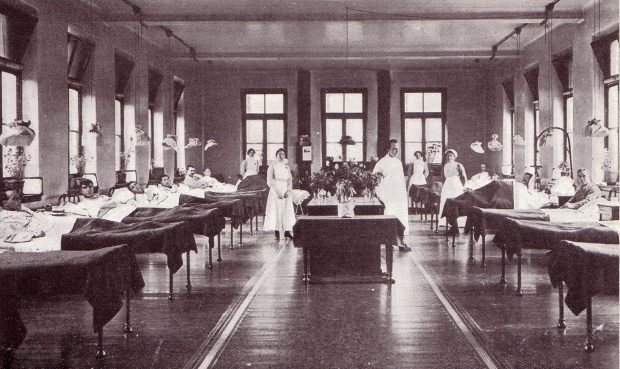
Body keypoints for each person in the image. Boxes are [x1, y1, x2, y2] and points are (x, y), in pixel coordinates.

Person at [373, 139, 410, 251]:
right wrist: (381, 195)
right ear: (388, 149)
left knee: (402, 219)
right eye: (394, 148)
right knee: (391, 219)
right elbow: (375, 180)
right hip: (389, 196)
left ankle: (401, 243)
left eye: (397, 149)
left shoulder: (398, 162)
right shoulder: (381, 163)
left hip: (399, 196)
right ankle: (392, 243)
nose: (396, 151)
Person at [263, 148, 295, 240]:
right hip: (276, 189)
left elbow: (289, 180)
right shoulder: (272, 165)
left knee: (287, 210)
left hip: (285, 189)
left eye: (283, 154)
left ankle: (287, 232)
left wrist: (288, 190)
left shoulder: (286, 166)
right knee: (277, 211)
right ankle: (277, 232)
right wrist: (278, 191)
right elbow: (269, 181)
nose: (281, 156)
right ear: (276, 155)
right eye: (279, 154)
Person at [439, 149, 466, 219]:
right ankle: (446, 219)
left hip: (456, 184)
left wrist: (464, 187)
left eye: (451, 156)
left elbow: (464, 177)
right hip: (447, 185)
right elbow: (444, 178)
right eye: (447, 156)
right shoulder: (445, 166)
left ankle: (458, 220)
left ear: (454, 157)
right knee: (446, 200)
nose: (449, 158)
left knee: (456, 201)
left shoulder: (458, 165)